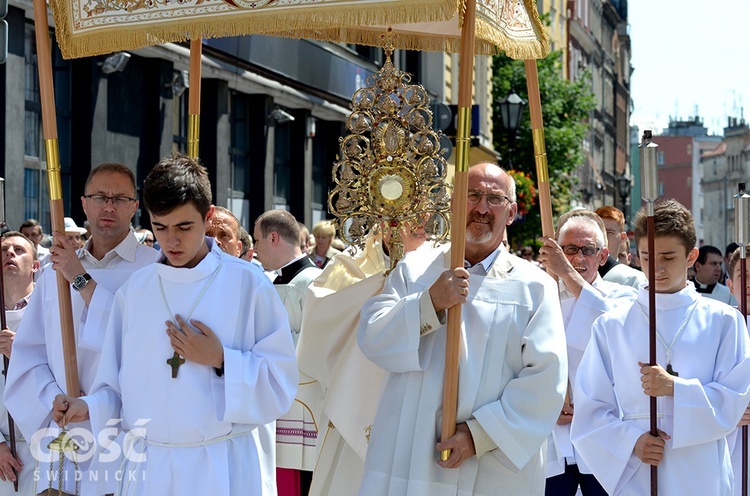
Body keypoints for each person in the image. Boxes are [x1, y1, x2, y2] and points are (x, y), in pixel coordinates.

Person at [50, 154, 298, 495]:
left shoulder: (247, 285)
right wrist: (87, 406)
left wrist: (222, 360)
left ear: (207, 215)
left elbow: (281, 384)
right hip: (148, 467)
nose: (172, 242)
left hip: (218, 467)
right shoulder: (136, 291)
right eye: (160, 227)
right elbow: (115, 387)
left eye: (184, 227)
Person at [356, 163, 567, 495]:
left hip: (490, 463)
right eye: (472, 195)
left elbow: (546, 378)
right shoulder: (415, 269)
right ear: (453, 203)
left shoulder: (534, 286)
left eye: (494, 199)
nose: (482, 208)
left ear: (511, 213)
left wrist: (480, 435)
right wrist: (430, 303)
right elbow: (372, 336)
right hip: (412, 454)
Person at [571, 199, 750, 495]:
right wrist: (632, 442)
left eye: (668, 257)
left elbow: (734, 399)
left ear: (691, 256)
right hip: (638, 470)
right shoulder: (611, 326)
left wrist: (676, 389)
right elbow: (590, 410)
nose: (656, 268)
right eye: (646, 257)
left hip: (700, 471)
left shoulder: (723, 321)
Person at [5, 162, 159, 496]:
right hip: (61, 426)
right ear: (84, 203)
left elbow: (137, 340)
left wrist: (79, 276)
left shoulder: (154, 270)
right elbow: (29, 356)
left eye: (120, 199)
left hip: (124, 431)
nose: (108, 206)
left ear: (135, 207)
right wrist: (52, 399)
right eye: (100, 196)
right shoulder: (52, 275)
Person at [299, 226, 428, 496]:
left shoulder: (440, 261)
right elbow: (320, 307)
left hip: (417, 391)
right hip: (354, 392)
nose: (416, 222)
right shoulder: (352, 261)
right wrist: (382, 284)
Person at [537, 210, 637, 496]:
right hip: (552, 432)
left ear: (603, 256)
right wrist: (547, 400)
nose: (578, 258)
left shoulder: (623, 297)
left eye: (588, 250)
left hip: (602, 432)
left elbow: (615, 334)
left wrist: (566, 273)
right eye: (569, 249)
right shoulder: (540, 295)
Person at [205, 206, 276, 496]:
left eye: (225, 235)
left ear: (241, 248)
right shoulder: (173, 285)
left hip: (242, 434)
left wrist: (222, 361)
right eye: (208, 234)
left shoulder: (256, 288)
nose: (216, 241)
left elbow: (276, 371)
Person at [253, 210, 322, 496]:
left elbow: (318, 346)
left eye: (257, 241)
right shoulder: (270, 283)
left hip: (306, 407)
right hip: (276, 405)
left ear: (273, 237)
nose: (254, 250)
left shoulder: (317, 282)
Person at [0, 231, 40, 494]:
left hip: (45, 447)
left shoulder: (53, 311)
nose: (9, 254)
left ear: (36, 266)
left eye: (19, 250)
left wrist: (21, 358)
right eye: (3, 250)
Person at [726, 247, 750, 496]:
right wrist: (729, 409)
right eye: (744, 275)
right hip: (730, 447)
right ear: (730, 285)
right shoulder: (717, 330)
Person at [594, 206, 647, 289]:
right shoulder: (579, 273)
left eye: (609, 233)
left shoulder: (635, 280)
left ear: (622, 237)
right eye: (598, 231)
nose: (602, 237)